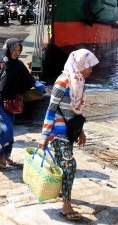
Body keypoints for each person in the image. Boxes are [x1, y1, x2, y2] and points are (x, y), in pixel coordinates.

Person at [38, 49, 99, 222]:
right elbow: (50, 110)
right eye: (89, 66)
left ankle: (60, 191)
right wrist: (44, 135)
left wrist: (80, 131)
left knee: (62, 164)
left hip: (69, 131)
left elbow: (74, 111)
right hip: (57, 132)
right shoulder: (62, 82)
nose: (91, 70)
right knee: (69, 165)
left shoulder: (79, 82)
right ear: (81, 64)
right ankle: (66, 206)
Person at [0, 38, 45, 169]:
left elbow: (30, 79)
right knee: (7, 130)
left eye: (19, 50)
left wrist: (42, 87)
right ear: (8, 49)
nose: (16, 53)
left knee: (3, 129)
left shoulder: (19, 65)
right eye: (14, 50)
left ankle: (5, 154)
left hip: (11, 102)